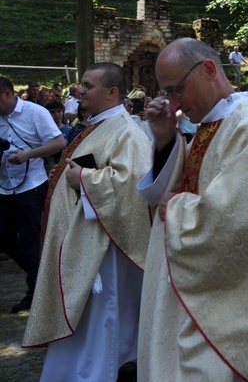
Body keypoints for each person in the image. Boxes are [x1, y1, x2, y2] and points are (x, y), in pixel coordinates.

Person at [136, 38, 248, 380]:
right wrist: (164, 142)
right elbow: (177, 188)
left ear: (208, 70)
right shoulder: (210, 128)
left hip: (231, 308)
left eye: (177, 89)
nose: (173, 102)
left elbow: (238, 220)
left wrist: (175, 207)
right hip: (196, 291)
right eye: (165, 93)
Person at [22, 63, 152, 381]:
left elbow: (131, 181)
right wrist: (66, 174)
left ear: (112, 92)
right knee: (90, 314)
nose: (79, 91)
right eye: (81, 84)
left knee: (100, 313)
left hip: (102, 245)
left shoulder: (127, 131)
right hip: (86, 235)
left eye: (88, 85)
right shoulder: (98, 125)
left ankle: (92, 372)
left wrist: (80, 176)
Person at [0, 77, 66, 313]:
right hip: (4, 186)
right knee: (4, 236)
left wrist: (28, 155)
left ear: (7, 94)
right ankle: (41, 276)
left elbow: (59, 142)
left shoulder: (35, 112)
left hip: (31, 185)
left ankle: (36, 292)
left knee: (31, 238)